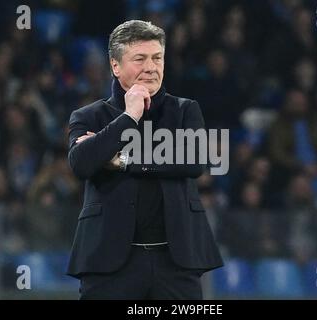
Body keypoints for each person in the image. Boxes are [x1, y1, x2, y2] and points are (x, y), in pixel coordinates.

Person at [67, 20, 223, 300]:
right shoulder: (88, 116)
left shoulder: (185, 110)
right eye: (140, 59)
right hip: (109, 262)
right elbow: (81, 164)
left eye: (157, 58)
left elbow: (193, 161)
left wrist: (123, 160)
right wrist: (129, 117)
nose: (151, 67)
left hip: (175, 262)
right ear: (115, 65)